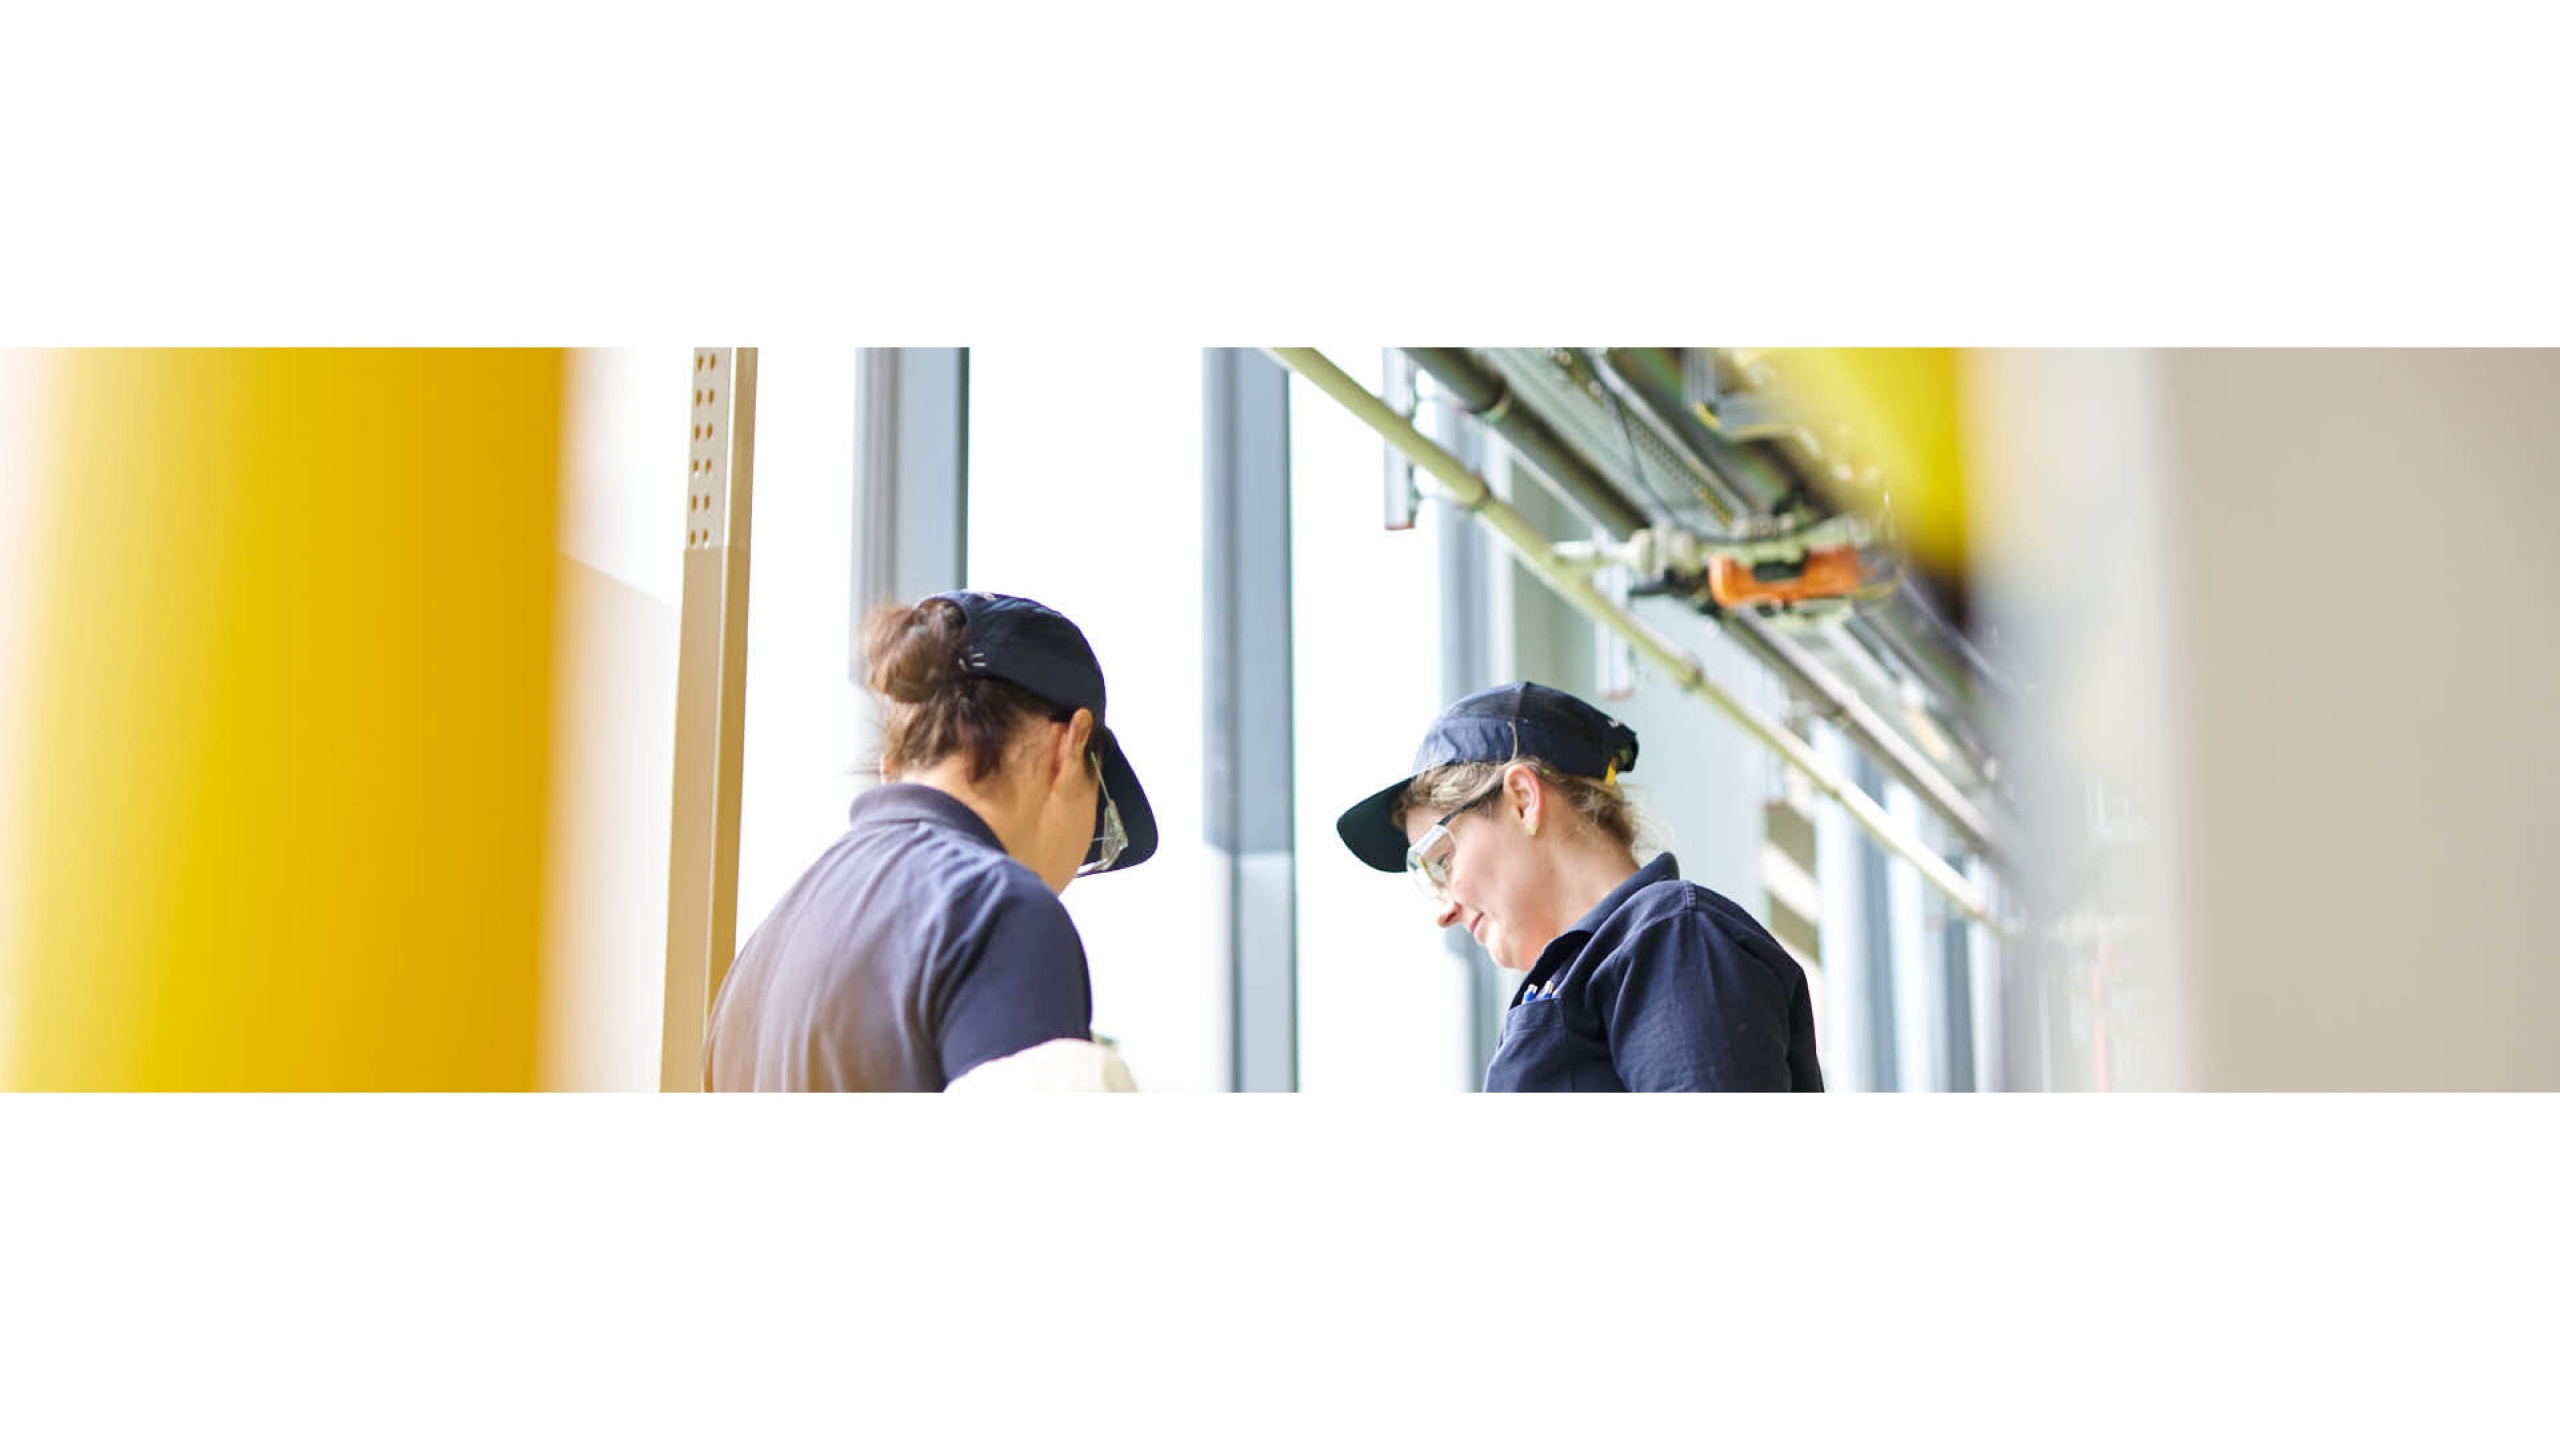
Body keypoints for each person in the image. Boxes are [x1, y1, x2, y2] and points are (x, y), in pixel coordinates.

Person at [705, 591, 1156, 1092]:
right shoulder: (997, 912)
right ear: (1071, 745)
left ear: (892, 764)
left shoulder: (759, 959)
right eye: (1101, 823)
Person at [1336, 681, 1822, 1092]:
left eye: (1441, 860)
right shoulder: (1592, 971)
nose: (1443, 912)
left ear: (1523, 798)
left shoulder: (1672, 936)